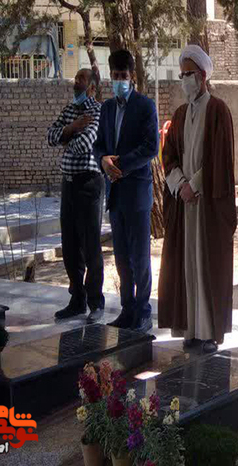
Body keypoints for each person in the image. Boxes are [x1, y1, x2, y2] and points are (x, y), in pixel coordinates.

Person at [158, 45, 236, 354]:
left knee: (206, 267)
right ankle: (191, 329)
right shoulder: (179, 114)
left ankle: (208, 334)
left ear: (202, 76)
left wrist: (195, 185)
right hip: (185, 203)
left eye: (188, 74)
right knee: (186, 267)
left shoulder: (218, 110)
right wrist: (180, 186)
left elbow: (220, 159)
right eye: (181, 75)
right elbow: (168, 156)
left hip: (207, 205)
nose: (184, 80)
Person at [93, 49, 159, 333]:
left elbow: (151, 147)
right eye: (115, 75)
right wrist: (102, 160)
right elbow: (98, 145)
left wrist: (120, 165)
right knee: (121, 258)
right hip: (115, 194)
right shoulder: (106, 108)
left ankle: (143, 311)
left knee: (140, 258)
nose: (119, 80)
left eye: (124, 75)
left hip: (137, 193)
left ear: (132, 76)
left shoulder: (145, 106)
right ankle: (127, 308)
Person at [48, 68, 105, 323]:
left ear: (91, 87)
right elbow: (50, 136)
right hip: (69, 184)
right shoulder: (70, 110)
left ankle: (96, 302)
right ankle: (77, 300)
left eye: (81, 79)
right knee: (70, 245)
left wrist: (65, 136)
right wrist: (72, 127)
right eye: (76, 79)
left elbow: (83, 145)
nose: (76, 82)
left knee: (90, 245)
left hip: (89, 183)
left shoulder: (97, 111)